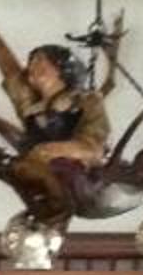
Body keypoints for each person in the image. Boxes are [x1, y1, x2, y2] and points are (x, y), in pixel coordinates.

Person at [11, 45, 111, 216]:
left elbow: (94, 147)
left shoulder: (86, 101)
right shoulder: (32, 111)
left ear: (61, 68)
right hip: (42, 179)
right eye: (31, 62)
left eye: (40, 60)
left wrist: (50, 150)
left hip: (77, 177)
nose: (32, 66)